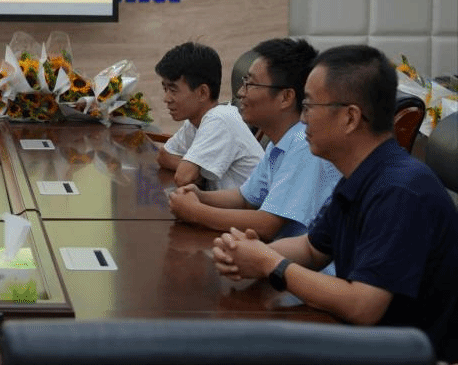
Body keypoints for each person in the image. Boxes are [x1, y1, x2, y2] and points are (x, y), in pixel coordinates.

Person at [212, 44, 458, 360]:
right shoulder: (361, 174)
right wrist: (246, 253)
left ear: (350, 117)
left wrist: (271, 264)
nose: (303, 119)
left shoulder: (400, 190)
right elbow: (312, 249)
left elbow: (363, 306)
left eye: (309, 106)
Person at [168, 38, 341, 240]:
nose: (240, 93)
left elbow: (267, 225)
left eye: (250, 84)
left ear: (285, 97)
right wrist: (200, 196)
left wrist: (195, 212)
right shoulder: (279, 142)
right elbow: (245, 198)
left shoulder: (304, 143)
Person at [155, 42, 263, 190]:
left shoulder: (220, 119)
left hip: (249, 205)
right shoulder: (194, 122)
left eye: (173, 90)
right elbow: (163, 155)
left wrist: (194, 173)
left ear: (202, 93)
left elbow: (183, 177)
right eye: (165, 89)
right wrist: (200, 175)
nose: (166, 98)